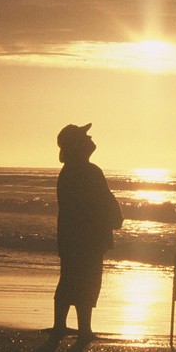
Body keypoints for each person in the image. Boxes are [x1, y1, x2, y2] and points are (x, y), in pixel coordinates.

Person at [52, 123, 123, 339]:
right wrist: (113, 217)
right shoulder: (86, 171)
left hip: (75, 236)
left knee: (72, 278)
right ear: (77, 144)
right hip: (86, 237)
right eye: (85, 136)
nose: (90, 137)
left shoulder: (73, 171)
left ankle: (64, 326)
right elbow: (100, 201)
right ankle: (81, 329)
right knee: (87, 280)